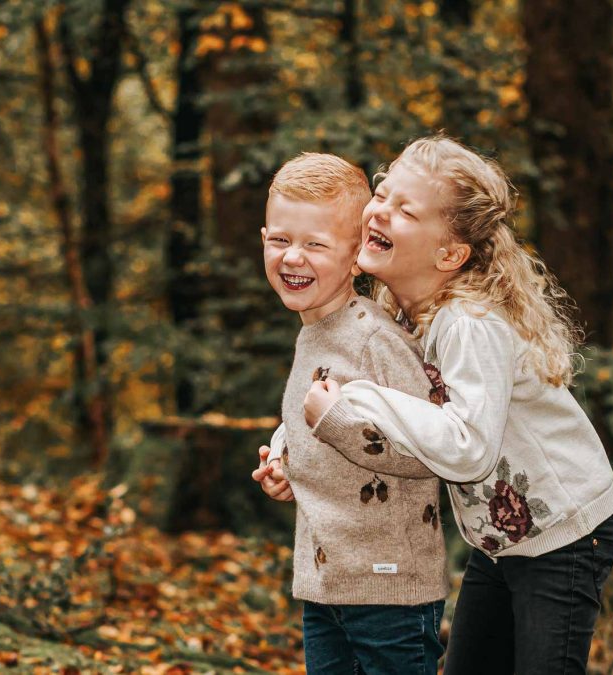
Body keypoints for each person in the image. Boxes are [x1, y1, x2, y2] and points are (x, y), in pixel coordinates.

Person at [304, 135, 613, 675]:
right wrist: (292, 450)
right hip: (498, 544)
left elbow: (467, 448)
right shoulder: (402, 315)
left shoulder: (469, 324)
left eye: (406, 210)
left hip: (563, 537)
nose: (379, 209)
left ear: (449, 254)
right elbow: (335, 388)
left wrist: (364, 399)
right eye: (383, 193)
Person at [251, 152, 448, 674]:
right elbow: (322, 421)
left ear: (357, 253)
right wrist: (286, 461)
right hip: (324, 585)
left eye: (315, 244)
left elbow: (430, 451)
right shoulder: (315, 331)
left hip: (391, 592)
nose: (293, 258)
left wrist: (334, 424)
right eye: (280, 240)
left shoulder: (374, 337)